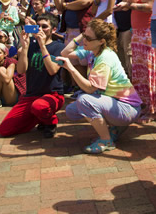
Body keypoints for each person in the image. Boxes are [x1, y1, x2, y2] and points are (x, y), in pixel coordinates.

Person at [59, 19, 142, 153]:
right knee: (72, 110)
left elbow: (91, 88)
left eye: (88, 38)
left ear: (101, 41)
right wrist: (82, 35)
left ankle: (106, 140)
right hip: (117, 104)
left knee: (84, 100)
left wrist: (72, 70)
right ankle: (115, 127)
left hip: (128, 109)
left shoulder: (105, 58)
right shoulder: (92, 51)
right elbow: (65, 53)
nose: (84, 40)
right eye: (84, 36)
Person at [0, 14, 65, 138]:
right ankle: (39, 117)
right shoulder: (30, 45)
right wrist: (24, 47)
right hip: (31, 95)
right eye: (37, 27)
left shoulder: (59, 47)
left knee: (39, 106)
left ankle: (50, 122)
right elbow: (21, 70)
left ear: (54, 29)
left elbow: (52, 70)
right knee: (4, 130)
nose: (40, 29)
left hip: (52, 94)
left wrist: (42, 46)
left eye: (44, 27)